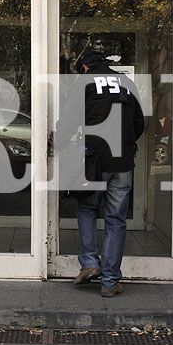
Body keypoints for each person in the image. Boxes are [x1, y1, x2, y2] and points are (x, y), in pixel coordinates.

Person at [54, 49, 144, 297]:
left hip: (94, 159)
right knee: (116, 218)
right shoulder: (126, 83)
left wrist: (58, 144)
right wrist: (123, 146)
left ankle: (90, 264)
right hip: (122, 161)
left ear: (84, 67)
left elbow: (71, 118)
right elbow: (139, 123)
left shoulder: (85, 83)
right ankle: (110, 282)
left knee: (87, 208)